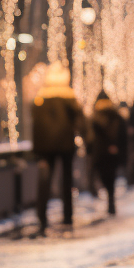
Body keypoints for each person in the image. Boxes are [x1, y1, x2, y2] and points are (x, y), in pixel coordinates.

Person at [32, 63, 84, 234]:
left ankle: (42, 218)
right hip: (65, 145)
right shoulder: (69, 98)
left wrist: (37, 150)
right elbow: (79, 120)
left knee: (44, 182)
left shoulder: (40, 99)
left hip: (45, 148)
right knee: (66, 181)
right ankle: (67, 216)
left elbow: (36, 125)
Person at [89, 89, 127, 215]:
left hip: (100, 154)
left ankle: (110, 201)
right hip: (112, 154)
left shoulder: (95, 117)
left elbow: (92, 138)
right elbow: (123, 136)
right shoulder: (116, 116)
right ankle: (111, 200)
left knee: (105, 178)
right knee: (111, 179)